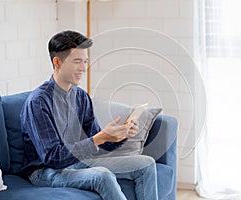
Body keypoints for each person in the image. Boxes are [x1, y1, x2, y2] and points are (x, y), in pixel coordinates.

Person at [20, 30, 158, 200]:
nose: (84, 68)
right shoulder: (38, 102)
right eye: (77, 61)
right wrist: (99, 138)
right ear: (57, 62)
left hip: (79, 161)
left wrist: (119, 135)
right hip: (45, 171)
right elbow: (52, 157)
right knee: (102, 175)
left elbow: (98, 142)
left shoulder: (81, 97)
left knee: (147, 164)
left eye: (85, 61)